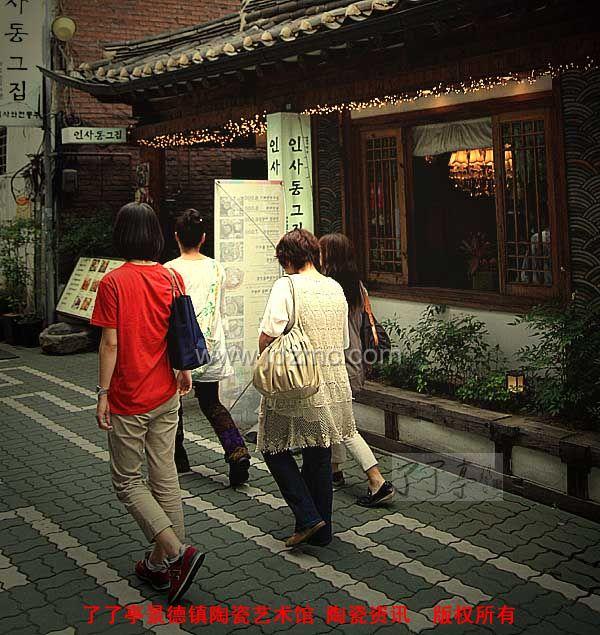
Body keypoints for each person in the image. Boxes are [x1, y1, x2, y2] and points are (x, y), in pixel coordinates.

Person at [92, 202, 205, 605]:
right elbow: (179, 329)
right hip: (166, 392)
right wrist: (184, 370)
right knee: (165, 475)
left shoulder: (112, 283)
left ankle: (175, 553)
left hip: (129, 397)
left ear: (121, 236)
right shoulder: (171, 277)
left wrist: (102, 393)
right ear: (155, 236)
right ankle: (159, 564)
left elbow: (110, 343)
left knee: (127, 481)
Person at [257, 228, 356, 547]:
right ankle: (322, 532)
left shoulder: (286, 286)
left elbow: (269, 334)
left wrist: (264, 360)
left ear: (286, 259)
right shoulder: (334, 287)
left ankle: (308, 516)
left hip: (296, 383)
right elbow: (343, 341)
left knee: (273, 448)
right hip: (332, 381)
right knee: (319, 453)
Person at [165, 208, 251, 486]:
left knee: (173, 404)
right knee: (211, 402)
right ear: (203, 237)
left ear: (176, 236)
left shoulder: (168, 270)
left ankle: (178, 458)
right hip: (209, 346)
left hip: (179, 348)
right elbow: (220, 307)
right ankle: (236, 450)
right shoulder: (216, 268)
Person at [319, 233, 395, 507]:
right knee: (335, 418)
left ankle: (377, 480)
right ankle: (335, 470)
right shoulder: (358, 287)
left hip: (337, 363)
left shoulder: (327, 288)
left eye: (321, 251)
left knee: (343, 425)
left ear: (329, 257)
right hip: (355, 362)